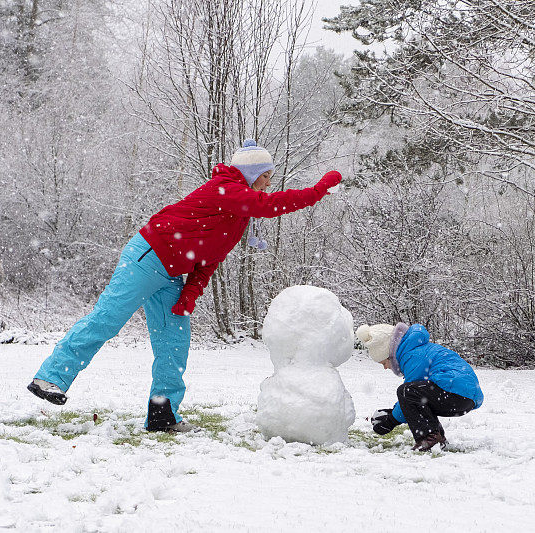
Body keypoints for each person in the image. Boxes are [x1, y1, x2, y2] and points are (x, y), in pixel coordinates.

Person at [27, 139, 342, 432]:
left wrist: (188, 296)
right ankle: (50, 378)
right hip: (148, 257)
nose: (269, 183)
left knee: (173, 343)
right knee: (107, 320)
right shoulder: (226, 189)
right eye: (266, 176)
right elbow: (270, 204)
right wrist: (318, 190)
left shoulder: (237, 215)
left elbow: (209, 260)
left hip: (172, 273)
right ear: (252, 174)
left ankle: (162, 415)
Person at [356, 322, 484, 451]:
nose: (385, 367)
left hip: (455, 391)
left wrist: (391, 421)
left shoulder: (412, 355)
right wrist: (392, 413)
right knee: (418, 396)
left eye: (384, 362)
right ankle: (437, 438)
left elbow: (409, 395)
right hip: (463, 395)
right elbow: (416, 401)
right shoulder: (416, 349)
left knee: (406, 391)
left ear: (389, 355)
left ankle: (428, 437)